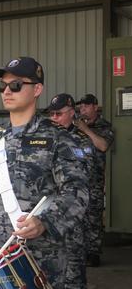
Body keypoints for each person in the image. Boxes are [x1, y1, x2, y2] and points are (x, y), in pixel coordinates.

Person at [0, 57, 89, 289]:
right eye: (3, 85)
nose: (7, 90)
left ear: (37, 89)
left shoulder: (59, 139)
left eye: (16, 85)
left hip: (43, 261)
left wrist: (44, 222)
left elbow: (76, 193)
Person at [47, 93, 95, 289]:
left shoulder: (81, 140)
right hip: (48, 211)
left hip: (72, 211)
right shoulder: (46, 138)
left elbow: (84, 173)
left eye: (59, 114)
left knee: (74, 267)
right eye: (51, 114)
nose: (54, 118)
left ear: (71, 113)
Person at [75, 93, 115, 267]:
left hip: (94, 181)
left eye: (86, 106)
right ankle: (79, 252)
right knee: (77, 217)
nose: (82, 109)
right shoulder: (74, 127)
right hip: (76, 180)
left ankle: (93, 254)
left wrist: (86, 130)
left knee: (93, 218)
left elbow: (103, 146)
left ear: (95, 107)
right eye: (80, 106)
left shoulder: (104, 126)